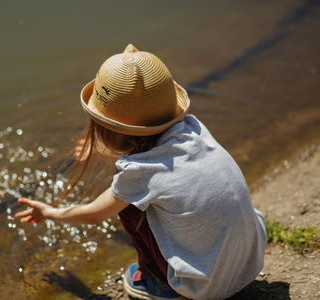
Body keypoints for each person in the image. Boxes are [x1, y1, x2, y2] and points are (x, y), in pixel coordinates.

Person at [15, 44, 267, 300]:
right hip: (250, 260)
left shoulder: (138, 173)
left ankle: (159, 282)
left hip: (207, 286)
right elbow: (158, 159)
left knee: (129, 204)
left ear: (106, 129)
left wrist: (48, 212)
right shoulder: (193, 128)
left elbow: (93, 215)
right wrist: (105, 151)